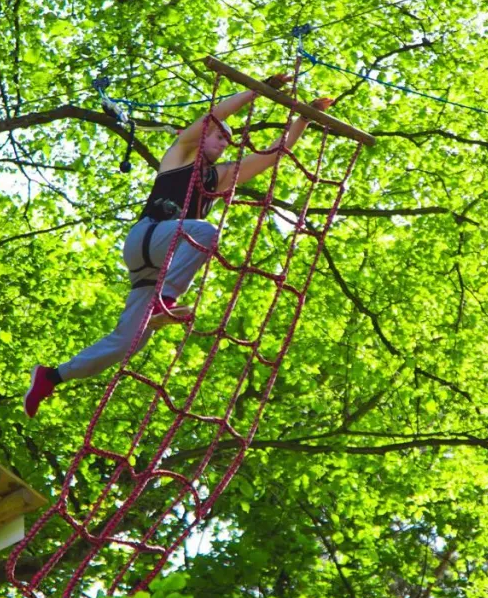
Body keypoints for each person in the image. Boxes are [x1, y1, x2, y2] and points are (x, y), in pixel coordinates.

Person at [23, 76, 335, 417]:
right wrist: (257, 89)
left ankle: (51, 376)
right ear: (204, 135)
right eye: (219, 137)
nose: (223, 144)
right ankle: (165, 300)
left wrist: (304, 118)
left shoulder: (218, 178)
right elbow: (213, 116)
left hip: (158, 263)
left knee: (130, 343)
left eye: (228, 143)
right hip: (149, 236)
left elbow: (274, 155)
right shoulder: (181, 154)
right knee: (205, 233)